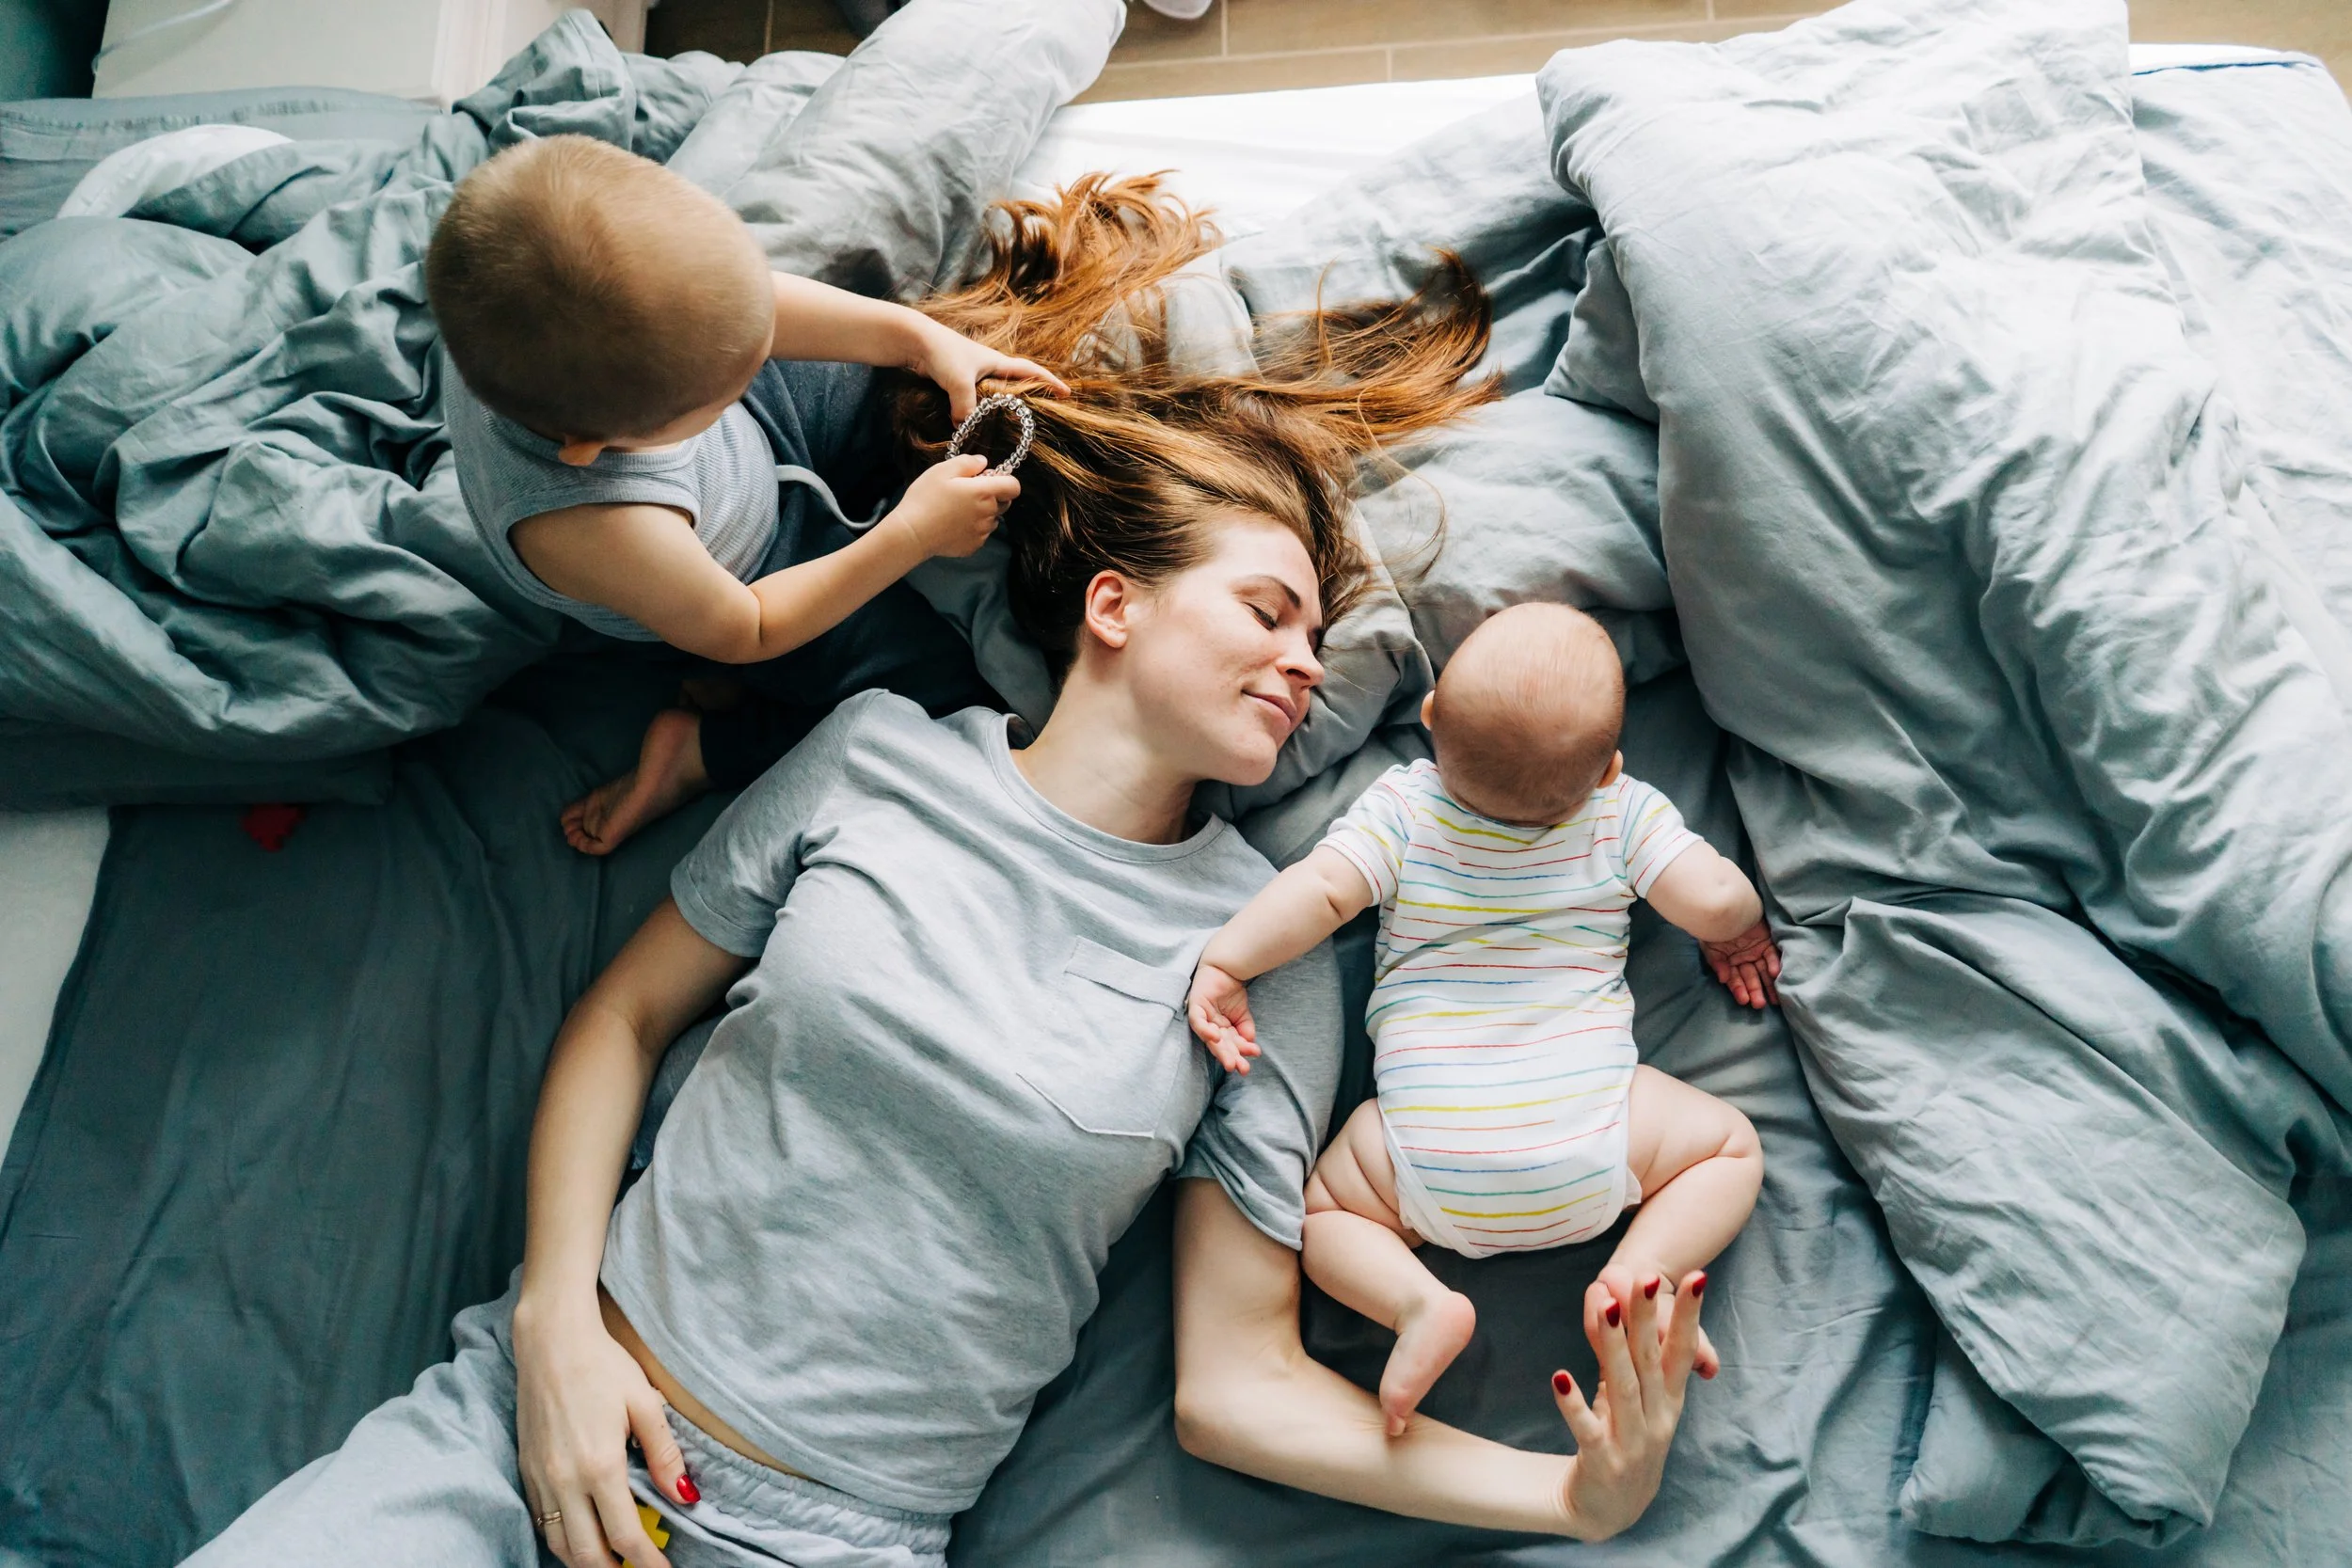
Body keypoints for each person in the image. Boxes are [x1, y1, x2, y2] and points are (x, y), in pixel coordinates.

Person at [183, 182, 1714, 1568]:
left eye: (1317, 632)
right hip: (532, 1431)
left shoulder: (1273, 952)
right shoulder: (873, 756)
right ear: (1115, 603)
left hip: (832, 1538)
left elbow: (1237, 1382)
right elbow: (623, 1022)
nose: (1306, 658)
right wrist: (548, 1328)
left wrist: (1565, 1499)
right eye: (1266, 607)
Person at [1186, 602, 1773, 1437]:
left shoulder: (1405, 808)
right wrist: (1741, 927)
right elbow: (1713, 896)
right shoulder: (1620, 811)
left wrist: (1229, 961)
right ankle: (1636, 1274)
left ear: (1429, 721)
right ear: (1608, 766)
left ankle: (1419, 1300)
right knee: (1730, 1146)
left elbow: (1318, 892)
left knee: (1324, 1215)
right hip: (1594, 1141)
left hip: (1430, 1158)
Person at [424, 133, 1067, 853]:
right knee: (929, 692)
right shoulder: (598, 526)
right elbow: (750, 626)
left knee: (894, 388)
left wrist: (916, 339)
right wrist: (910, 535)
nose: (761, 347)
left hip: (755, 433)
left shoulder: (552, 340)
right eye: (723, 382)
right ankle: (702, 750)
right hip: (757, 576)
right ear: (592, 451)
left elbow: (754, 322)